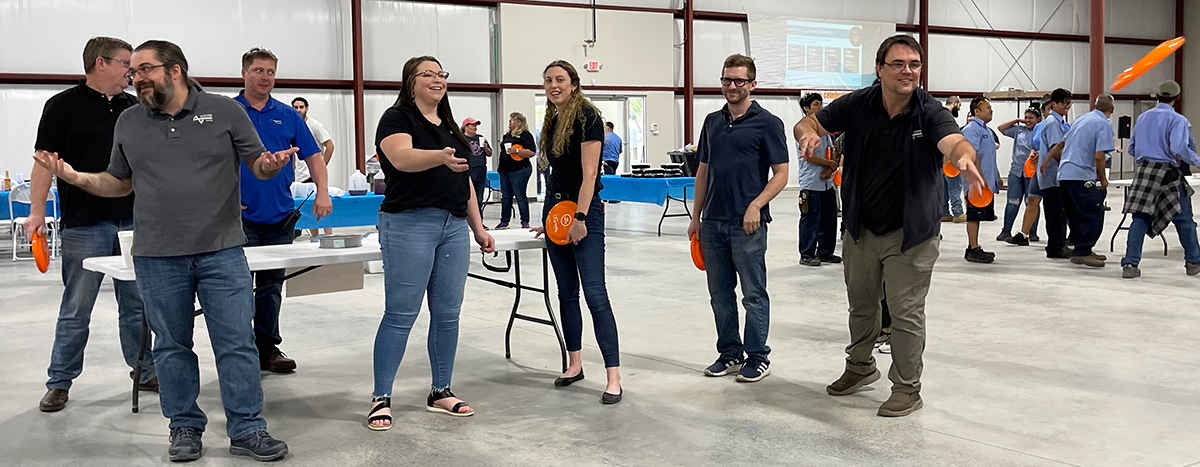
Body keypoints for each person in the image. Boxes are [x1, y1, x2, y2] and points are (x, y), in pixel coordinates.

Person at [34, 39, 293, 462]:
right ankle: (184, 427)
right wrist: (76, 177)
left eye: (144, 69)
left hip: (221, 251)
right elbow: (120, 181)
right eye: (132, 71)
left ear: (175, 70)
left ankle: (247, 428)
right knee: (171, 347)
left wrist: (272, 164)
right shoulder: (131, 122)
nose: (136, 78)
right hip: (156, 255)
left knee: (237, 343)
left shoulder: (226, 111)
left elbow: (258, 163)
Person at [796, 35, 985, 417]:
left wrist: (965, 159)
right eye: (898, 64)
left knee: (905, 313)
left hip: (911, 233)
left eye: (914, 64)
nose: (908, 71)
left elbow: (954, 142)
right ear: (880, 69)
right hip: (861, 228)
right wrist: (808, 134)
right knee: (861, 307)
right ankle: (860, 367)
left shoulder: (928, 111)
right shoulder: (858, 103)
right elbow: (808, 122)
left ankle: (907, 388)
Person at [29, 36, 157, 414]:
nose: (130, 73)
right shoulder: (62, 106)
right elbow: (44, 163)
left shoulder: (134, 107)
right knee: (76, 307)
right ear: (100, 63)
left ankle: (145, 370)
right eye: (124, 64)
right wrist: (37, 212)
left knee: (136, 306)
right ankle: (59, 381)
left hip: (133, 222)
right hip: (84, 224)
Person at [370, 55, 495, 430]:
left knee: (447, 314)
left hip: (453, 226)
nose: (437, 79)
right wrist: (438, 158)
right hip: (410, 223)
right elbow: (402, 158)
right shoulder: (397, 119)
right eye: (428, 74)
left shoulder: (452, 128)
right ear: (411, 82)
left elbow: (466, 183)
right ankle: (381, 397)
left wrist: (478, 227)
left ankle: (441, 390)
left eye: (441, 74)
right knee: (400, 314)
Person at [693, 54, 789, 383]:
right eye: (726, 80)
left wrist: (756, 205)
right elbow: (703, 171)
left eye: (739, 81)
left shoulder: (768, 123)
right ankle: (730, 353)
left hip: (747, 225)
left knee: (753, 293)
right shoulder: (712, 122)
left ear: (752, 84)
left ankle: (758, 356)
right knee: (720, 294)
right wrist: (696, 216)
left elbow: (781, 174)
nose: (732, 86)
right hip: (713, 223)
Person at [235, 47, 332, 374]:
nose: (265, 77)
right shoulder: (230, 111)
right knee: (236, 289)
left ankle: (266, 348)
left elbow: (314, 157)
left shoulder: (288, 115)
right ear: (244, 73)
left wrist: (322, 191)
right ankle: (240, 350)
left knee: (270, 287)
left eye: (270, 72)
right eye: (258, 70)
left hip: (279, 217)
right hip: (237, 220)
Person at [535, 60, 624, 403]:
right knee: (566, 294)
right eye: (548, 81)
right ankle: (575, 364)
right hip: (555, 212)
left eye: (560, 79)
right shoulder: (552, 117)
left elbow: (590, 175)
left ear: (574, 83)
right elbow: (553, 176)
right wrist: (547, 220)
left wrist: (581, 218)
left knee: (595, 294)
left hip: (582, 214)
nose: (553, 85)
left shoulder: (587, 117)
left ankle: (613, 377)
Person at [1121, 80, 1200, 278]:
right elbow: (1179, 149)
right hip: (1167, 173)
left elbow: (1132, 148)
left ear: (1157, 96)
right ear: (1177, 98)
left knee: (1139, 218)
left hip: (1144, 171)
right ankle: (1193, 261)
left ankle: (1130, 263)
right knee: (1183, 219)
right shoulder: (1178, 120)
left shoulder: (1142, 118)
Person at [1051, 94, 1115, 268]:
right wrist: (1103, 178)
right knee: (1094, 212)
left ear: (1094, 105)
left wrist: (1045, 162)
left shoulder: (1081, 119)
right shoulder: (1104, 123)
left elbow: (1061, 144)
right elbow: (1099, 155)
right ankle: (1083, 250)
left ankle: (1080, 247)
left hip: (1065, 174)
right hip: (1081, 175)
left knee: (1075, 214)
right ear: (1112, 110)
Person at [795, 92, 840, 266]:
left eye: (821, 104)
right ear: (806, 108)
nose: (820, 108)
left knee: (829, 219)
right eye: (816, 104)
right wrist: (828, 163)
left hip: (826, 183)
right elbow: (809, 155)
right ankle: (806, 254)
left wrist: (830, 168)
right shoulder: (802, 130)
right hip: (811, 182)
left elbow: (832, 150)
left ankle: (825, 252)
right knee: (810, 219)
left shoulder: (824, 131)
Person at [1034, 88, 1074, 259]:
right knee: (1055, 213)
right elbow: (1055, 149)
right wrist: (1067, 167)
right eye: (1063, 103)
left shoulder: (1059, 122)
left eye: (1069, 103)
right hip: (1053, 175)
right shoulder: (1052, 123)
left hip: (1055, 175)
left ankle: (1058, 244)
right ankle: (1055, 247)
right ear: (1054, 104)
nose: (1067, 107)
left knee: (1059, 212)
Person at [291, 96, 336, 239]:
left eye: (301, 107)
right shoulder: (292, 125)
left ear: (307, 108)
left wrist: (321, 166)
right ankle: (314, 238)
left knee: (322, 203)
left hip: (313, 173)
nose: (298, 110)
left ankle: (328, 236)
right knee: (309, 208)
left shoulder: (315, 125)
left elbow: (329, 145)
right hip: (299, 176)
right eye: (296, 107)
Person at [1009, 100, 1053, 246]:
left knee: (1056, 205)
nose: (1048, 112)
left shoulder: (1061, 126)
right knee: (1032, 200)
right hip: (1035, 170)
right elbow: (1035, 145)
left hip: (1051, 171)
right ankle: (1024, 233)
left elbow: (1059, 146)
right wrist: (1035, 152)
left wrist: (1045, 155)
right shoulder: (1039, 127)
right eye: (1047, 109)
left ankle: (1066, 236)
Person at [960, 97, 998, 263]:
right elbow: (970, 155)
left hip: (985, 181)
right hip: (976, 182)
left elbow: (988, 156)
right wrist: (979, 177)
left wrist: (995, 175)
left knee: (978, 214)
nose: (991, 111)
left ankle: (972, 246)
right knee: (974, 215)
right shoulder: (972, 130)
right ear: (977, 112)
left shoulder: (986, 130)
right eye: (988, 108)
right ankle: (973, 248)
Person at [997, 107, 1042, 242]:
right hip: (1016, 172)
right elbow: (1001, 128)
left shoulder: (1040, 132)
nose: (1027, 120)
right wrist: (1017, 120)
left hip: (1032, 173)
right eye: (1026, 117)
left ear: (1038, 120)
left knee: (1031, 203)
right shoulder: (1019, 130)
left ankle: (1031, 231)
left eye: (1031, 118)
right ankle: (1006, 230)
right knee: (1012, 201)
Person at [496, 112, 536, 229]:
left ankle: (525, 221)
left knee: (520, 195)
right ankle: (504, 221)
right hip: (504, 170)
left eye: (512, 120)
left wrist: (517, 151)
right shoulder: (507, 135)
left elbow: (532, 152)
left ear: (518, 122)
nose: (509, 122)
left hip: (519, 170)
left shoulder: (525, 135)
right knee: (506, 196)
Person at [461, 117, 492, 217]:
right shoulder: (461, 138)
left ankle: (479, 221)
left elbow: (490, 153)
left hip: (480, 171)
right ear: (466, 127)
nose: (475, 127)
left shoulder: (481, 138)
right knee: (468, 198)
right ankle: (466, 220)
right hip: (468, 171)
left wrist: (486, 147)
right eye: (473, 125)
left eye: (476, 126)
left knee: (479, 198)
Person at [942, 95, 966, 223]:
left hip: (941, 160)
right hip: (949, 160)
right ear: (955, 103)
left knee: (944, 188)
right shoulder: (948, 117)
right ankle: (958, 213)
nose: (959, 109)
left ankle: (944, 213)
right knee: (954, 187)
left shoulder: (939, 114)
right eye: (960, 106)